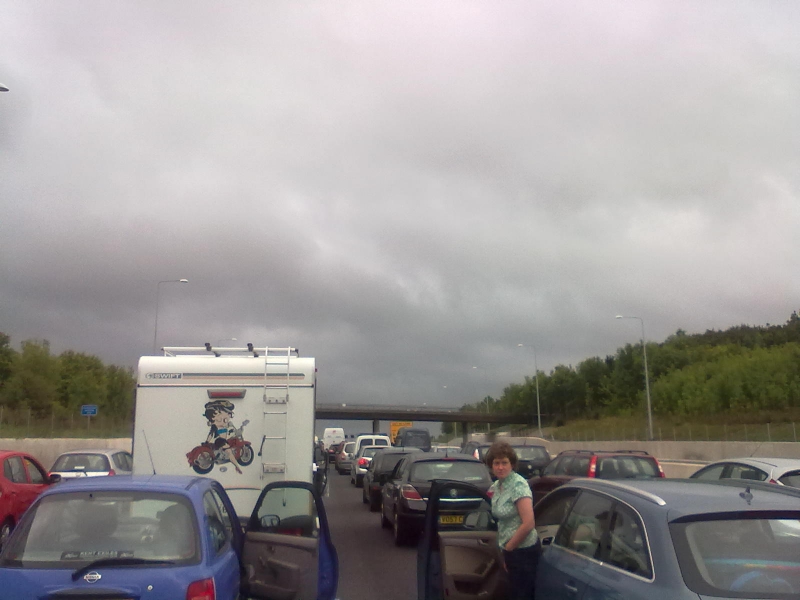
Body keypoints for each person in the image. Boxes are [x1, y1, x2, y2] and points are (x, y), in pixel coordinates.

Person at [486, 441, 541, 600]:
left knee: (521, 595)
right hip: (509, 550)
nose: (500, 467)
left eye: (504, 463)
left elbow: (528, 524)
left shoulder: (518, 485)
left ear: (512, 464)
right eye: (496, 463)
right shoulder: (497, 486)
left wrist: (509, 549)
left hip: (523, 552)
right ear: (491, 465)